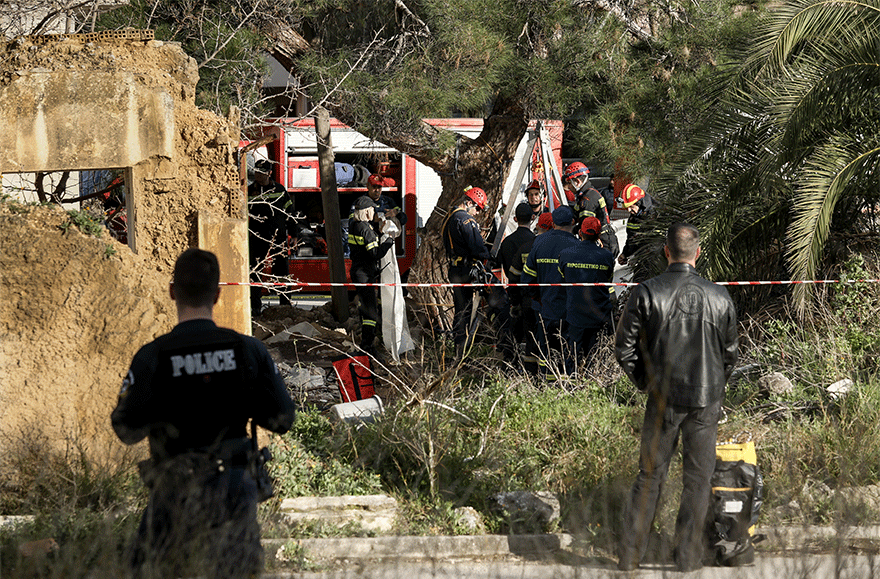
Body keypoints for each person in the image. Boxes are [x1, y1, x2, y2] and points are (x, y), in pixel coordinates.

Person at [111, 248, 296, 579]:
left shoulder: (152, 356)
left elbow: (126, 429)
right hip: (234, 489)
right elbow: (283, 419)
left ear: (172, 292)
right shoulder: (248, 350)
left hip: (173, 492)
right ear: (217, 294)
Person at [614, 223, 738, 572]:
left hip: (662, 398)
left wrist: (647, 382)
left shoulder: (646, 292)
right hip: (705, 400)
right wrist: (714, 388)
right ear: (698, 253)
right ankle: (686, 559)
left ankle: (630, 557)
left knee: (650, 477)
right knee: (698, 481)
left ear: (666, 251)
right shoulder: (720, 296)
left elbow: (624, 348)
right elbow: (730, 354)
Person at [521, 205, 579, 382]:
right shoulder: (577, 246)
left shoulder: (539, 242)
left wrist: (537, 297)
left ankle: (548, 386)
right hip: (570, 312)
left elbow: (527, 278)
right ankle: (568, 386)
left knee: (547, 350)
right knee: (568, 351)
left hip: (545, 308)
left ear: (553, 223)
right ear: (573, 222)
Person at [557, 216, 615, 373]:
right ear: (598, 235)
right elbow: (608, 280)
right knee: (594, 359)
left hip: (575, 315)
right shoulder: (607, 256)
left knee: (572, 357)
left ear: (580, 233)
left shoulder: (566, 254)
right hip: (598, 315)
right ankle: (592, 384)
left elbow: (563, 277)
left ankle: (570, 383)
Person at [442, 186, 491, 359]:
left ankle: (458, 349)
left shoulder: (450, 216)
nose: (477, 213)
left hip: (455, 268)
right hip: (465, 269)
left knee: (460, 309)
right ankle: (462, 351)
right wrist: (490, 256)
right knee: (466, 311)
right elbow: (477, 247)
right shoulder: (465, 220)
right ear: (469, 203)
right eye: (477, 208)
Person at [248, 159, 299, 315]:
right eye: (257, 172)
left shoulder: (279, 189)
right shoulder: (249, 191)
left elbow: (289, 212)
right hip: (257, 236)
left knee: (281, 270)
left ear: (269, 173)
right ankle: (255, 307)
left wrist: (294, 234)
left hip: (278, 237)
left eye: (262, 173)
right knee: (255, 270)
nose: (258, 175)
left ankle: (285, 304)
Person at [348, 195, 395, 359]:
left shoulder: (354, 224)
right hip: (365, 273)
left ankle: (367, 344)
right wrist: (389, 241)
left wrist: (377, 231)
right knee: (371, 311)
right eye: (372, 210)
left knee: (367, 308)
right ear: (366, 211)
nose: (374, 212)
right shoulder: (365, 229)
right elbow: (375, 253)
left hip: (359, 271)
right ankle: (367, 347)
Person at [510, 211, 554, 375]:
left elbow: (514, 277)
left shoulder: (526, 247)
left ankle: (531, 375)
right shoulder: (556, 249)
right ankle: (548, 374)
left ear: (538, 226)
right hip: (551, 302)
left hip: (529, 301)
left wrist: (516, 301)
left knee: (531, 340)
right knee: (550, 340)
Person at [495, 202, 537, 364]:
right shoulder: (535, 242)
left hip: (513, 293)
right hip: (533, 295)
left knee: (513, 333)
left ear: (515, 219)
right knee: (532, 334)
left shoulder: (507, 242)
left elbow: (500, 265)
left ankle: (510, 363)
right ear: (532, 218)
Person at [563, 162, 619, 259]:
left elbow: (586, 225)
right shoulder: (586, 194)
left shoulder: (588, 199)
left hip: (603, 243)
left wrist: (571, 231)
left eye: (569, 183)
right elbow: (577, 213)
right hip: (603, 240)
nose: (569, 187)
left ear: (577, 182)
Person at [617, 184, 656, 266]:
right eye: (627, 207)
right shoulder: (635, 215)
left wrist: (638, 257)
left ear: (639, 203)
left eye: (631, 207)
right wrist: (625, 254)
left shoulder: (655, 215)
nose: (629, 210)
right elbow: (632, 238)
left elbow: (654, 243)